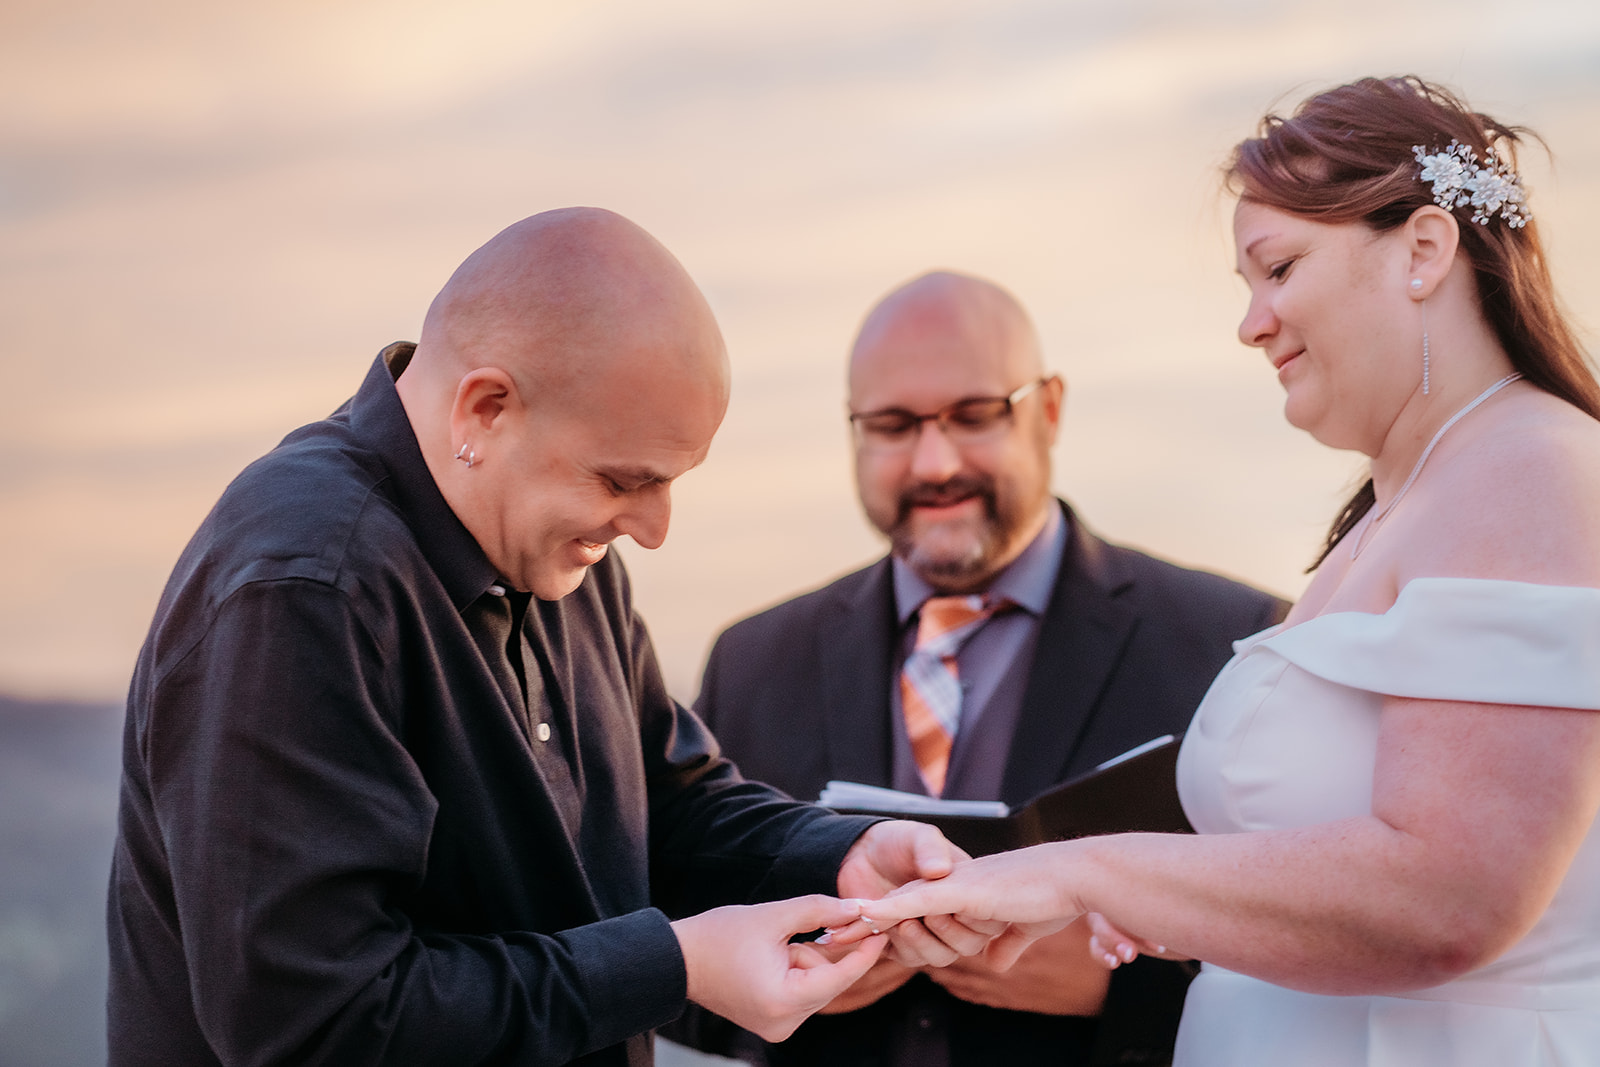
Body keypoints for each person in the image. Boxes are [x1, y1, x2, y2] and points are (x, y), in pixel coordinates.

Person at [104, 207, 979, 1067]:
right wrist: (674, 967)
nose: (653, 526)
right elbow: (319, 1022)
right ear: (486, 409)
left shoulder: (554, 546)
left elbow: (666, 806)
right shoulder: (305, 587)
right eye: (622, 479)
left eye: (669, 482)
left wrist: (841, 853)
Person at [851, 77, 1600, 1066]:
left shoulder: (1530, 471)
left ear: (1423, 251)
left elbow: (1450, 897)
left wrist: (1089, 874)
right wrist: (1182, 906)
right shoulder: (1401, 505)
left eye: (1278, 268)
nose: (1251, 323)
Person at [666, 271, 1286, 1067]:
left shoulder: (1230, 641)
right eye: (891, 425)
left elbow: (1322, 945)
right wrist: (764, 985)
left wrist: (1127, 991)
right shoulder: (753, 659)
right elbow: (666, 949)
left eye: (973, 416)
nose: (934, 461)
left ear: (1050, 408)